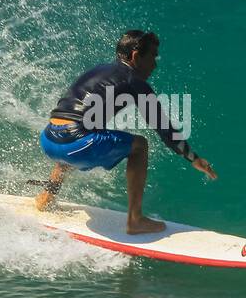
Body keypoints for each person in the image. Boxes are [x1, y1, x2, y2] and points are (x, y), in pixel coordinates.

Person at [35, 30, 217, 233]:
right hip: (75, 146)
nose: (155, 65)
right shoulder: (134, 81)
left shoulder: (97, 70)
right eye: (152, 57)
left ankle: (46, 197)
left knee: (82, 131)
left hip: (49, 139)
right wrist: (193, 158)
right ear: (136, 56)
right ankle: (135, 219)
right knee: (139, 145)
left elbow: (69, 111)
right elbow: (165, 130)